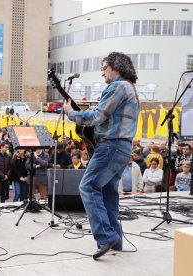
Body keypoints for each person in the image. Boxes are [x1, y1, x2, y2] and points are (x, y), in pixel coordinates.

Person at [63, 52, 140, 259]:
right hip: (122, 148)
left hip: (111, 146)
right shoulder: (130, 88)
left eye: (104, 67)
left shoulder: (117, 86)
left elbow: (97, 116)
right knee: (108, 193)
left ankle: (105, 237)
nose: (102, 72)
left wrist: (71, 114)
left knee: (87, 186)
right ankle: (116, 242)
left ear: (116, 67)